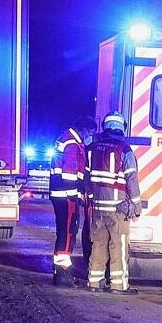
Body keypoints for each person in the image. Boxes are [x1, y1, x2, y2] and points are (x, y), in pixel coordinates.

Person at [84, 112, 142, 294]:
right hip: (118, 209)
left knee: (98, 244)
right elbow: (131, 179)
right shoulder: (124, 149)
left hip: (98, 208)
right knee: (119, 246)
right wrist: (136, 206)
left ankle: (94, 282)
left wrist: (91, 200)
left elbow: (87, 178)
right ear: (121, 128)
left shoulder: (92, 148)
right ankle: (119, 285)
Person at [49, 116, 95, 286]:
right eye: (91, 132)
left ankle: (60, 271)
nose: (91, 135)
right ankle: (63, 274)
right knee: (67, 233)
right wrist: (76, 195)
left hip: (60, 195)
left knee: (63, 232)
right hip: (66, 197)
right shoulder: (72, 144)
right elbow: (69, 175)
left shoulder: (66, 139)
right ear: (84, 129)